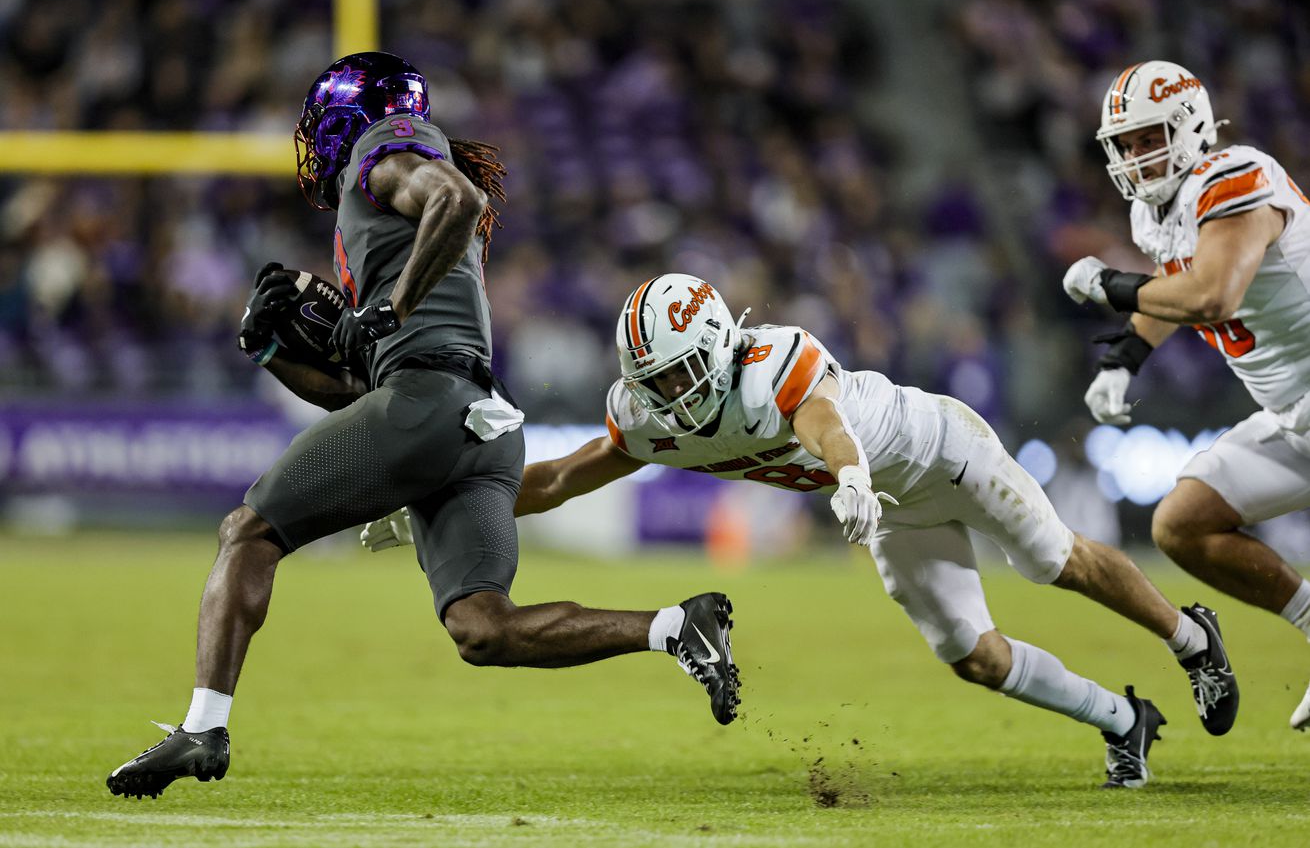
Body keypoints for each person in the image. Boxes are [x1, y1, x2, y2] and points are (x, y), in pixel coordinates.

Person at [105, 54, 739, 801]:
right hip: (481, 424)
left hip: (428, 402)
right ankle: (675, 626)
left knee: (248, 531)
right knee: (484, 627)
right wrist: (273, 352)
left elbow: (460, 202)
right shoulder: (398, 220)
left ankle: (202, 728)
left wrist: (388, 308)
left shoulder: (389, 148)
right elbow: (356, 396)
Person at [366, 272, 1239, 789]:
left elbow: (822, 419)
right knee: (972, 654)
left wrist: (852, 470)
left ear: (718, 347)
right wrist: (438, 506)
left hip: (935, 452)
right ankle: (1124, 718)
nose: (668, 397)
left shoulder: (770, 360)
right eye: (653, 380)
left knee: (1053, 559)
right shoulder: (652, 414)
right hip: (888, 507)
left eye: (678, 375)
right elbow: (554, 480)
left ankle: (1189, 635)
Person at [1062, 60, 1310, 729]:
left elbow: (1210, 293)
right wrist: (1125, 356)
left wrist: (1110, 285)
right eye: (1129, 143)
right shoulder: (1156, 210)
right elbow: (1174, 286)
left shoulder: (1237, 178)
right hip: (1294, 414)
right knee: (1182, 524)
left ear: (1192, 126)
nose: (1139, 156)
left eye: (1151, 137)